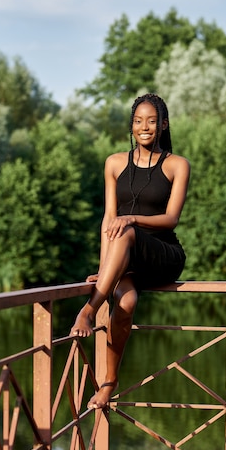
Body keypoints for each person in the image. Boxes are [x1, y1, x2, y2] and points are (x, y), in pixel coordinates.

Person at [70, 93, 190, 409]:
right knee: (126, 300)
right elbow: (108, 220)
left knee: (126, 230)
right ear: (132, 126)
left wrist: (132, 218)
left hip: (162, 254)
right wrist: (106, 268)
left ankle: (89, 309)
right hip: (124, 254)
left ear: (163, 125)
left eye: (152, 121)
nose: (144, 127)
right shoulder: (114, 163)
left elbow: (170, 219)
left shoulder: (177, 165)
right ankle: (109, 383)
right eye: (138, 121)